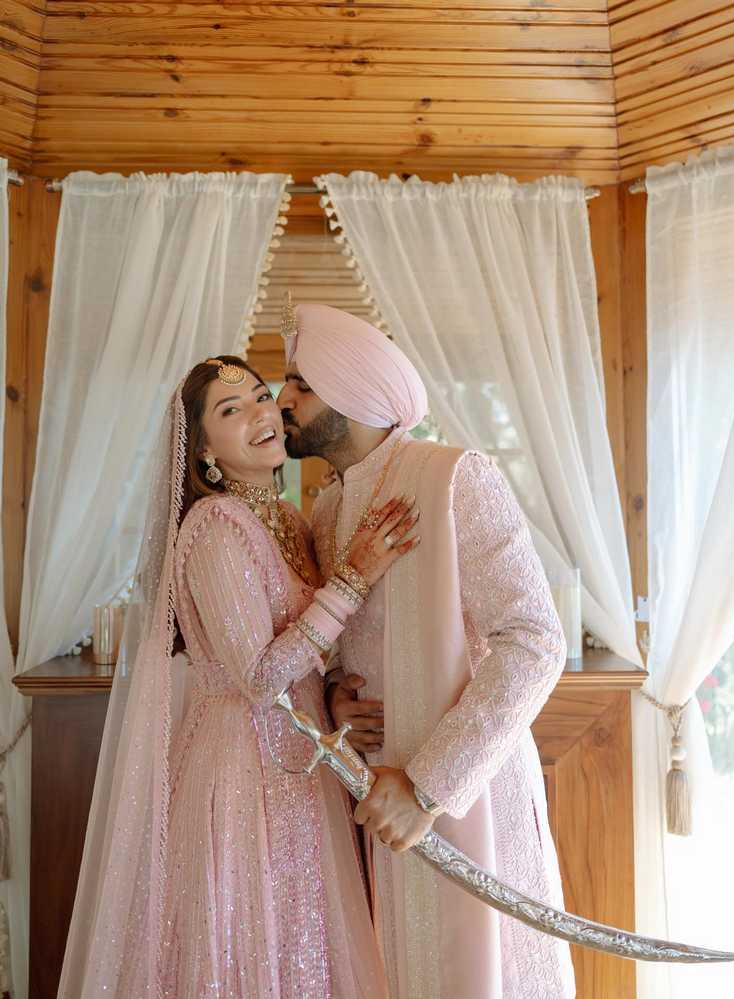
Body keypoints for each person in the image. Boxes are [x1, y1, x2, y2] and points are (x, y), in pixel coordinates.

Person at [59, 355, 420, 998]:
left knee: (304, 953)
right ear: (203, 452)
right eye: (232, 410)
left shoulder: (290, 521)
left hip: (302, 771)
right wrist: (355, 576)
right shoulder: (214, 526)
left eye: (260, 395)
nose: (260, 412)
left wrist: (333, 693)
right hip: (240, 775)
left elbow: (309, 653)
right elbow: (259, 676)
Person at [277, 305, 577, 999]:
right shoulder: (325, 509)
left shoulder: (455, 478)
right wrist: (335, 696)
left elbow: (535, 640)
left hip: (463, 795)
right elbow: (340, 644)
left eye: (301, 384)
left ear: (351, 392)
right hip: (371, 801)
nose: (283, 399)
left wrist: (428, 787)